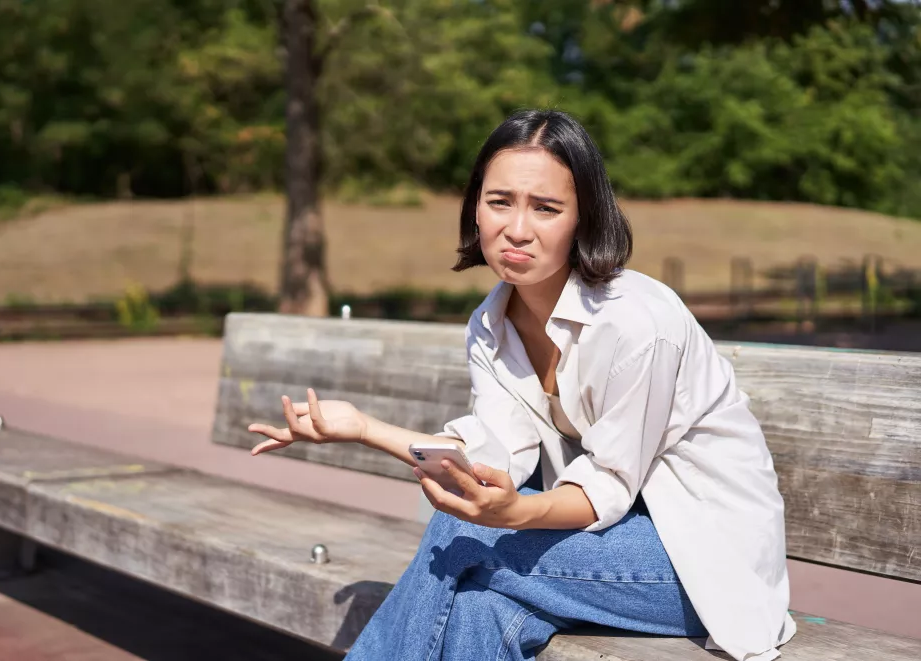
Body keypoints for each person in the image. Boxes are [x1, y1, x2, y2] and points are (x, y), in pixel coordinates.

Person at [247, 109, 796, 661]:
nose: (516, 229)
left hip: (700, 564)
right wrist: (364, 429)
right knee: (478, 612)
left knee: (464, 536)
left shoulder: (638, 325)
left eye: (546, 208)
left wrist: (509, 516)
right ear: (475, 207)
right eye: (499, 201)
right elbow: (496, 459)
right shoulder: (491, 325)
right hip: (590, 552)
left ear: (584, 219)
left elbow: (605, 486)